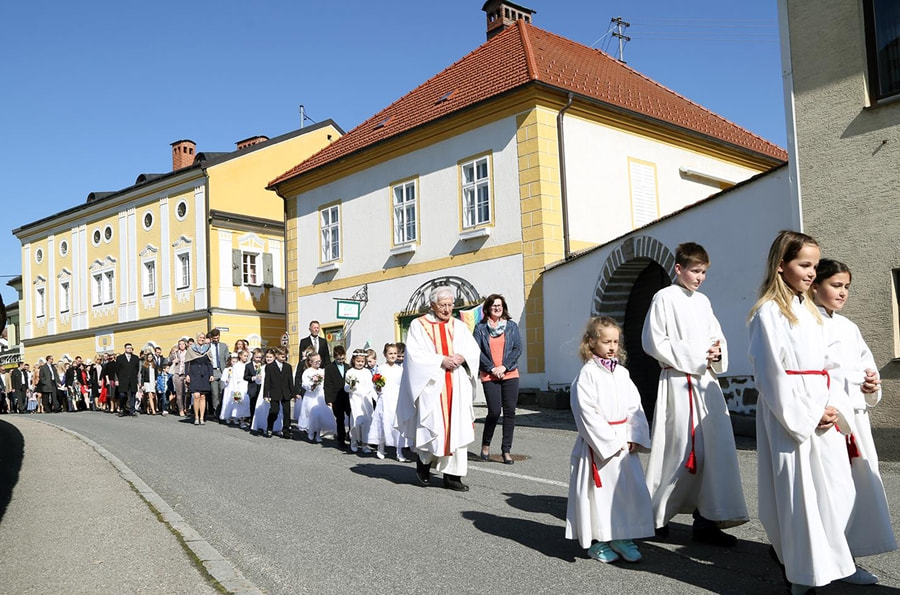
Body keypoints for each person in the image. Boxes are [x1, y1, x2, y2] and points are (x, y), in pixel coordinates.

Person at [748, 230, 857, 594]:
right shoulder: (769, 312)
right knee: (799, 496)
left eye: (815, 265)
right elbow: (769, 374)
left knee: (836, 490)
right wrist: (806, 415)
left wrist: (832, 405)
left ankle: (832, 563)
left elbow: (828, 364)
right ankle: (801, 574)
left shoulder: (810, 310)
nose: (812, 272)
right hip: (790, 414)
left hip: (823, 406)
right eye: (804, 265)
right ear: (781, 265)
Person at [641, 242, 748, 544]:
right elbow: (653, 341)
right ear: (679, 268)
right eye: (695, 271)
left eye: (704, 272)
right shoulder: (663, 297)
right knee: (677, 449)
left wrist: (716, 353)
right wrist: (699, 354)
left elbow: (717, 337)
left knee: (714, 451)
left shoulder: (703, 302)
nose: (700, 277)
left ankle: (708, 519)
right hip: (678, 382)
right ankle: (656, 516)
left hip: (706, 385)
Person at [812, 259, 896, 583]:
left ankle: (847, 556)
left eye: (847, 286)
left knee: (857, 489)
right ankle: (825, 559)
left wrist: (871, 385)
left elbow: (866, 366)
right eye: (836, 285)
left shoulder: (849, 328)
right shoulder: (805, 324)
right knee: (833, 490)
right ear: (814, 285)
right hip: (828, 420)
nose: (843, 292)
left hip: (855, 421)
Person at [566, 316, 654, 563]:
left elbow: (635, 406)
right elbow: (586, 412)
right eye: (607, 342)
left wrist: (634, 435)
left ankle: (622, 536)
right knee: (599, 496)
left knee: (626, 492)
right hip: (600, 447)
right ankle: (599, 541)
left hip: (625, 443)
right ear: (592, 343)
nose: (612, 347)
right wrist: (610, 442)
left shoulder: (622, 374)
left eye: (616, 341)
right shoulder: (587, 375)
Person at [397, 286, 480, 492]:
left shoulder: (459, 326)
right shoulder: (419, 325)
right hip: (433, 385)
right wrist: (441, 360)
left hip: (457, 384)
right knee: (433, 426)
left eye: (450, 305)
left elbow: (472, 349)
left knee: (457, 428)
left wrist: (463, 357)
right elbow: (414, 355)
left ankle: (453, 476)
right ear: (433, 305)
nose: (447, 309)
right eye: (443, 305)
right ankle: (424, 465)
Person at [473, 294, 523, 465]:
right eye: (494, 305)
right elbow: (476, 350)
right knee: (494, 411)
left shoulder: (511, 326)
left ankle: (506, 450)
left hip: (509, 373)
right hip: (489, 374)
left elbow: (517, 348)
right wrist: (492, 368)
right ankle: (486, 444)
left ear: (503, 307)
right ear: (488, 308)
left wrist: (504, 367)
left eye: (499, 305)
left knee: (510, 412)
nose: (497, 308)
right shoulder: (480, 328)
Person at [366, 343, 408, 461]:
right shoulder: (381, 368)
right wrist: (378, 387)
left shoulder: (400, 369)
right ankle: (381, 447)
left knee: (397, 424)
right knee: (383, 423)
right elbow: (376, 384)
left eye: (395, 353)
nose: (393, 356)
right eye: (390, 353)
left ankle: (399, 450)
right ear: (385, 354)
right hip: (384, 399)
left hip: (396, 399)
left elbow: (403, 385)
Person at [344, 349, 375, 453]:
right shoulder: (350, 372)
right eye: (358, 361)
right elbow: (346, 387)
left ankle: (365, 444)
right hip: (356, 399)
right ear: (353, 360)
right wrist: (351, 387)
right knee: (356, 421)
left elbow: (371, 386)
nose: (360, 363)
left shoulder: (367, 372)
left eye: (362, 361)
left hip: (366, 400)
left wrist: (376, 398)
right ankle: (354, 441)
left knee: (366, 421)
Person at [301, 350, 335, 442]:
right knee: (312, 415)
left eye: (319, 361)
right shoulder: (307, 372)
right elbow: (304, 384)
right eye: (316, 361)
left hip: (320, 396)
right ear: (310, 362)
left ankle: (318, 434)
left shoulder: (322, 371)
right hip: (311, 396)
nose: (318, 363)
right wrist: (312, 385)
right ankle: (311, 432)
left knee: (320, 416)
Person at [263, 347, 294, 439]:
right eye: (281, 355)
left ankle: (286, 430)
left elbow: (290, 381)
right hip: (274, 392)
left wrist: (292, 393)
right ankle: (269, 427)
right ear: (276, 355)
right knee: (274, 411)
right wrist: (266, 394)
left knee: (287, 412)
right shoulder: (270, 367)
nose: (284, 357)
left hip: (285, 392)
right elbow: (267, 381)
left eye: (285, 355)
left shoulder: (288, 367)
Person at [250, 349, 283, 436]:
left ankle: (276, 427)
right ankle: (264, 426)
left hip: (274, 391)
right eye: (267, 357)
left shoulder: (277, 367)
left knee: (275, 410)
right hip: (264, 390)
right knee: (264, 410)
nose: (268, 359)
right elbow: (258, 382)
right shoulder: (262, 368)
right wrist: (258, 378)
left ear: (274, 357)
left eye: (270, 357)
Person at [324, 346, 351, 448]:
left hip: (348, 397)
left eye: (342, 358)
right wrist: (328, 399)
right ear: (334, 357)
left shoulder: (348, 367)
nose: (341, 361)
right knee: (340, 419)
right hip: (336, 397)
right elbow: (327, 384)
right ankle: (341, 439)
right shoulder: (329, 368)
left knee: (351, 416)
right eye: (338, 359)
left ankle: (351, 435)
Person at [184, 332, 213, 425]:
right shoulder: (191, 349)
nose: (202, 339)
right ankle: (196, 417)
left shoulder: (207, 349)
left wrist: (211, 374)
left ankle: (202, 417)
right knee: (196, 396)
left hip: (204, 374)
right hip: (194, 373)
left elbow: (209, 362)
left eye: (203, 337)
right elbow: (187, 362)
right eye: (200, 337)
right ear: (197, 338)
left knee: (203, 396)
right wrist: (187, 374)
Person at [221, 350, 251, 427]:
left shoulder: (247, 365)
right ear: (240, 356)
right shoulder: (236, 366)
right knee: (238, 402)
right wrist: (235, 389)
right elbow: (234, 378)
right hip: (239, 386)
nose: (246, 358)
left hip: (246, 385)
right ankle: (239, 419)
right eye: (244, 356)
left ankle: (242, 419)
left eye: (247, 356)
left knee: (245, 403)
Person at [207, 328, 230, 421]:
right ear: (211, 338)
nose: (216, 340)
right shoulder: (208, 347)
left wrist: (228, 372)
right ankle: (216, 413)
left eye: (218, 338)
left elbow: (227, 359)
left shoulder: (224, 346)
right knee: (215, 394)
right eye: (214, 338)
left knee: (223, 392)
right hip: (213, 371)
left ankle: (223, 411)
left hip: (222, 371)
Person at [115, 344, 142, 417]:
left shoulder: (135, 358)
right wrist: (117, 380)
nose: (129, 349)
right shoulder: (120, 358)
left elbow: (137, 369)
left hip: (132, 379)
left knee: (133, 394)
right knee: (122, 395)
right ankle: (122, 408)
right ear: (125, 349)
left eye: (130, 348)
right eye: (128, 348)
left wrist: (138, 380)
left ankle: (132, 410)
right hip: (123, 380)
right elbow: (117, 370)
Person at [170, 339, 189, 417]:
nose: (181, 345)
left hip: (186, 374)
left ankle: (185, 408)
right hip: (177, 374)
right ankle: (181, 409)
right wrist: (173, 361)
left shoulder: (188, 353)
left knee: (186, 393)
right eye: (180, 344)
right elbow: (168, 361)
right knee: (179, 393)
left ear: (185, 345)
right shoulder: (175, 353)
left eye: (183, 344)